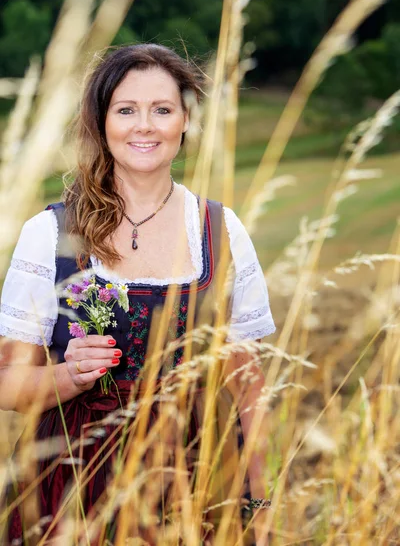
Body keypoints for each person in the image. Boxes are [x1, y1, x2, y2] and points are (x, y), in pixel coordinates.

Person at [0, 44, 275, 545]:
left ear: (185, 121)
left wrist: (257, 495)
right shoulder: (50, 234)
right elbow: (7, 386)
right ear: (101, 123)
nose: (144, 126)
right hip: (75, 485)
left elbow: (248, 382)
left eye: (162, 110)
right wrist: (68, 374)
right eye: (126, 110)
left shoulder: (220, 230)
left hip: (199, 481)